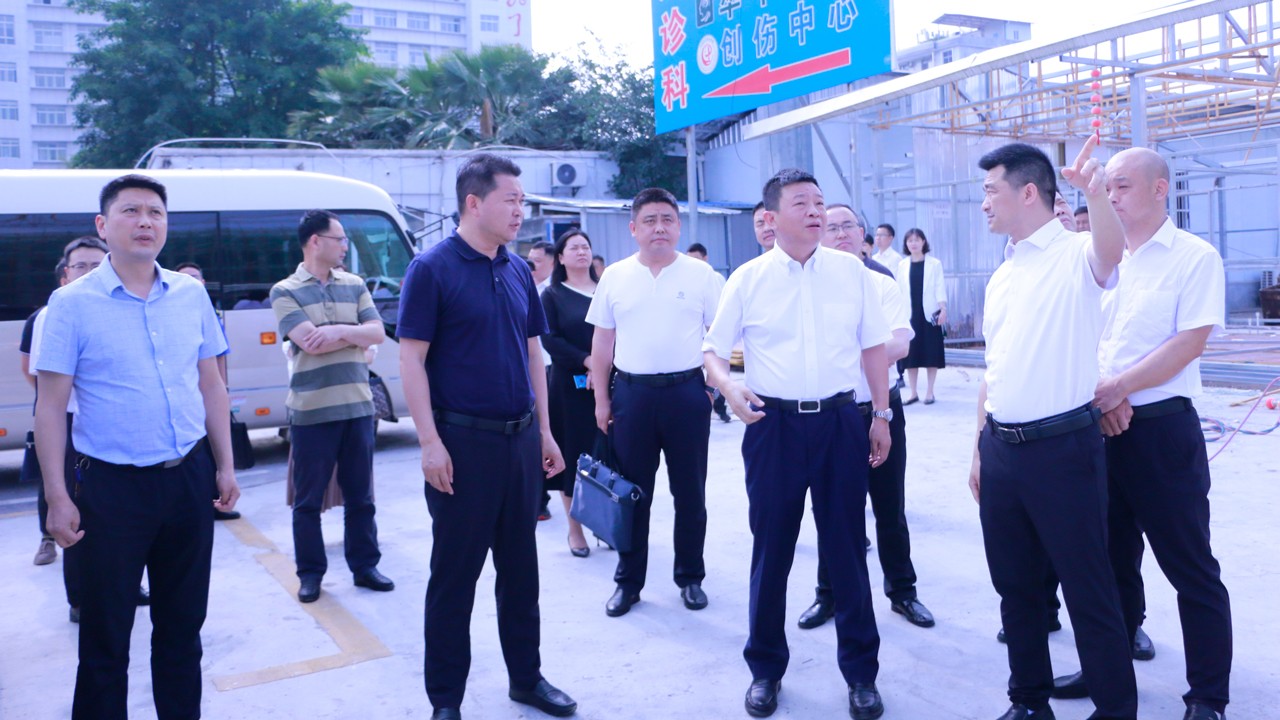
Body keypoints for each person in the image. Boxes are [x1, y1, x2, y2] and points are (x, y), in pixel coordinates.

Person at [35, 174, 239, 719]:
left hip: (187, 479)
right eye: (131, 211)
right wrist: (57, 496)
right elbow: (50, 407)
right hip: (109, 490)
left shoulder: (191, 295)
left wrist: (225, 465)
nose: (145, 221)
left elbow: (212, 385)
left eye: (156, 212)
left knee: (182, 629)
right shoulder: (70, 304)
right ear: (103, 226)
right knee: (106, 637)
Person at [1050, 148, 1233, 720]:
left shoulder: (1193, 258)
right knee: (1108, 562)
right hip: (1097, 428)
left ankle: (1207, 696)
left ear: (1160, 189)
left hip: (1160, 431)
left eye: (1122, 186)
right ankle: (1109, 669)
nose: (1111, 197)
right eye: (1106, 188)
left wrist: (1119, 388)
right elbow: (1079, 335)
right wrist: (1100, 398)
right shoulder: (1097, 259)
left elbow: (1189, 342)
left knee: (1190, 566)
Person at [704, 169, 892, 720]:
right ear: (771, 217)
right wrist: (729, 387)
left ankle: (861, 675)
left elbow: (873, 348)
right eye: (801, 203)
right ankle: (765, 670)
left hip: (840, 422)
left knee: (847, 550)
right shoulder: (748, 278)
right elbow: (712, 350)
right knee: (772, 552)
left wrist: (880, 415)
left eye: (819, 202)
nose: (815, 212)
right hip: (773, 428)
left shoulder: (851, 272)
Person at [397, 153, 576, 720]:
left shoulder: (518, 269)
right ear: (474, 203)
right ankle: (445, 700)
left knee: (521, 573)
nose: (521, 210)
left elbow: (532, 353)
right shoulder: (431, 269)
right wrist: (429, 442)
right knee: (455, 578)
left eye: (523, 200)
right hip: (462, 446)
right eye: (511, 200)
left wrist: (544, 431)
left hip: (519, 442)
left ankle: (527, 679)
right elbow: (411, 360)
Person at [968, 139, 1137, 720]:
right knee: (1016, 587)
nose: (983, 203)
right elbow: (994, 371)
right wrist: (979, 448)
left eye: (990, 191)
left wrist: (1096, 191)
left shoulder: (1076, 254)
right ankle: (1029, 701)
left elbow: (1112, 250)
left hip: (1063, 450)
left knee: (1087, 587)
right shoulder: (1003, 275)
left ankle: (1115, 709)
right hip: (1002, 450)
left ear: (1028, 193)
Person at [796, 204, 934, 633]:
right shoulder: (808, 284)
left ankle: (903, 592)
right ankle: (828, 595)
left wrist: (841, 354)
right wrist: (862, 353)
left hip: (880, 408)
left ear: (863, 235)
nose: (840, 234)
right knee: (833, 510)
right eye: (831, 227)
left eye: (848, 227)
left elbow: (899, 344)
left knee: (889, 507)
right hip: (830, 416)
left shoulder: (881, 282)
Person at [587, 187, 724, 618]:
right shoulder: (615, 276)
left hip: (687, 395)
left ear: (678, 226)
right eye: (649, 220)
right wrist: (602, 400)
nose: (659, 227)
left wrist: (712, 389)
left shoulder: (702, 276)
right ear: (633, 228)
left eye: (667, 219)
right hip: (632, 397)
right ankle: (628, 583)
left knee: (690, 493)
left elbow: (720, 338)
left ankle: (691, 577)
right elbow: (602, 343)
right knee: (632, 495)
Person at [269, 210, 393, 604]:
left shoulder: (354, 284)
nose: (344, 246)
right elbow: (309, 341)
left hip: (358, 407)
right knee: (308, 502)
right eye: (338, 239)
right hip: (312, 411)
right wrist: (356, 336)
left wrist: (339, 330)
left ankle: (365, 566)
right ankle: (310, 574)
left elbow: (378, 333)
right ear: (315, 241)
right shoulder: (284, 290)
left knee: (362, 498)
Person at [540, 229, 599, 557]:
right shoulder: (552, 295)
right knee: (574, 455)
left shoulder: (606, 289)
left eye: (585, 247)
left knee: (607, 455)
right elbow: (550, 339)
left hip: (608, 382)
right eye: (573, 247)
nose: (581, 252)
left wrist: (602, 367)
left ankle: (606, 522)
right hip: (569, 388)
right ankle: (575, 531)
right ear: (560, 257)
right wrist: (587, 361)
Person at [175, 261, 241, 521]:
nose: (191, 282)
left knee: (213, 453)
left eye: (195, 277)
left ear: (203, 282)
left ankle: (216, 501)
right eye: (185, 277)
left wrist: (221, 390)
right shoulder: (171, 309)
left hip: (206, 395)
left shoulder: (207, 312)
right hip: (185, 399)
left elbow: (219, 355)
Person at [895, 229, 947, 405]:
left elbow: (939, 287)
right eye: (910, 240)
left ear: (923, 242)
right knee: (911, 356)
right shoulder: (902, 265)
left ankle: (930, 392)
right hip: (909, 315)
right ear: (906, 244)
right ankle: (913, 392)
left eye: (917, 240)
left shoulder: (934, 264)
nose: (913, 243)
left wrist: (943, 309)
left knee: (931, 353)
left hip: (930, 314)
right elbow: (899, 290)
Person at [529, 240, 556, 521]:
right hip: (533, 370)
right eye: (530, 259)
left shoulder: (553, 291)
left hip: (553, 370)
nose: (531, 265)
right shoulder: (525, 285)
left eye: (537, 260)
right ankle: (539, 498)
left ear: (552, 262)